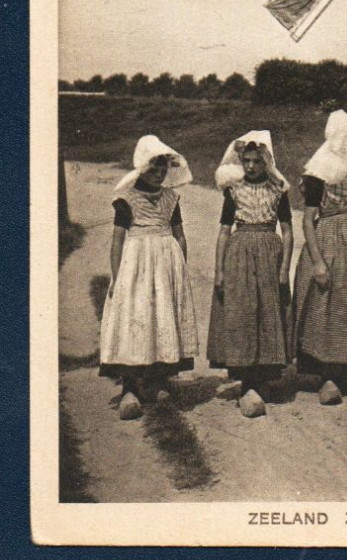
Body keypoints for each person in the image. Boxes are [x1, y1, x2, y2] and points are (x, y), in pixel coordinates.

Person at [99, 135, 199, 420]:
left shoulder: (171, 198)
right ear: (142, 167)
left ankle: (156, 380)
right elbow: (118, 242)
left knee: (162, 317)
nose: (159, 172)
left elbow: (180, 236)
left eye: (163, 167)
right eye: (153, 167)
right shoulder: (126, 199)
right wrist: (118, 279)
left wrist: (180, 271)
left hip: (166, 266)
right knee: (136, 318)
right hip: (137, 267)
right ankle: (130, 387)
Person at [206, 131, 293, 418]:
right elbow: (223, 231)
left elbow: (288, 231)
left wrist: (284, 268)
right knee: (243, 312)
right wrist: (219, 270)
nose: (252, 167)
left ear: (267, 161)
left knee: (268, 311)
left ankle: (263, 376)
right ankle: (246, 381)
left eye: (257, 161)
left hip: (269, 251)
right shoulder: (233, 191)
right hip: (239, 252)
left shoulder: (278, 189)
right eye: (247, 161)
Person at [292, 110, 347, 405]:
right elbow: (307, 220)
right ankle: (326, 374)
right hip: (326, 239)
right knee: (325, 304)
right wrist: (317, 261)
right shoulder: (319, 174)